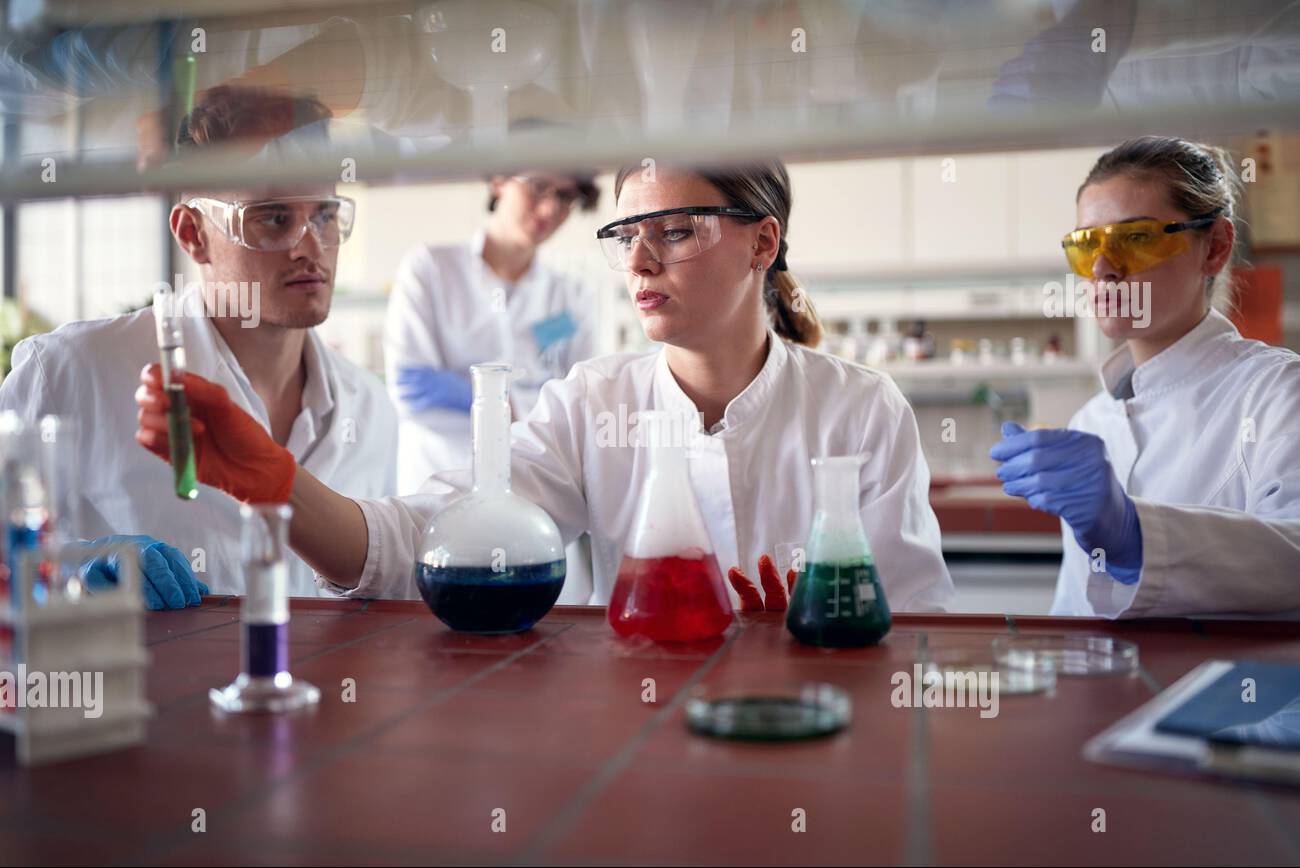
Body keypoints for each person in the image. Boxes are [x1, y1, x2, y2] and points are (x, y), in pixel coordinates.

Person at [135, 161, 954, 614]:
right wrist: (278, 486)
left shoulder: (861, 409)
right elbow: (423, 538)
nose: (638, 262)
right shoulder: (591, 405)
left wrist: (826, 629)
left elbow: (922, 624)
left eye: (673, 232)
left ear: (761, 242)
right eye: (625, 237)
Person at [1, 87, 397, 601]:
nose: (310, 247)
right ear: (192, 234)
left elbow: (381, 596)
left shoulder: (370, 410)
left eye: (323, 214)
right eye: (274, 217)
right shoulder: (69, 372)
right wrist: (71, 571)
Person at [991, 135, 1300, 618]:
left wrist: (1135, 535)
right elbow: (1075, 613)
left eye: (1135, 239)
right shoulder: (1091, 420)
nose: (1103, 269)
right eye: (1086, 245)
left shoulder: (1277, 393)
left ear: (1215, 248)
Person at [385, 170, 600, 492]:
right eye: (539, 187)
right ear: (498, 181)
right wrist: (518, 408)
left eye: (565, 197)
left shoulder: (569, 296)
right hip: (437, 487)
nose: (549, 210)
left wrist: (480, 398)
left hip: (534, 493)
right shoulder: (430, 268)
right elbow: (411, 386)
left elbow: (582, 404)